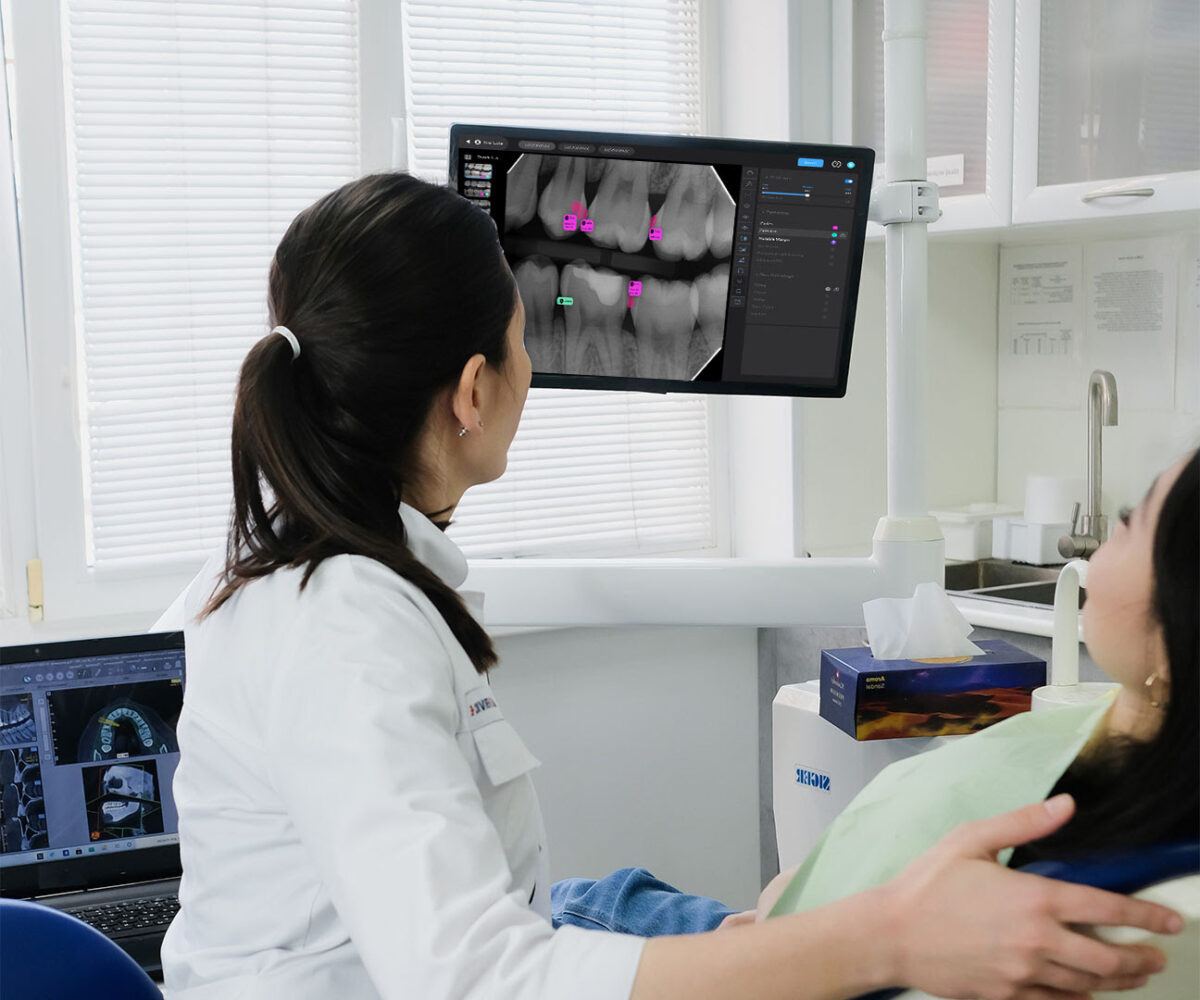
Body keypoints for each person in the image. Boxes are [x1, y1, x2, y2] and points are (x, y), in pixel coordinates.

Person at [159, 172, 1182, 1000]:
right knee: (635, 910)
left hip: (497, 937)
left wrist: (782, 935)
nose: (530, 371)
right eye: (523, 342)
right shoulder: (338, 622)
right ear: (473, 391)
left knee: (627, 899)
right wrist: (879, 938)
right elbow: (474, 977)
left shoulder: (348, 567)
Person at [760, 449, 1199, 925]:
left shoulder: (993, 811)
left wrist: (779, 898)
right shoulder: (1157, 780)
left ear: (1177, 626)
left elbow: (796, 923)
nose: (1111, 535)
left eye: (1131, 521)